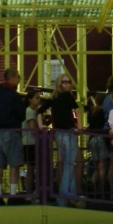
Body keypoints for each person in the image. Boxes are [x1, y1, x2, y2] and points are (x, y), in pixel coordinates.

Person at [38, 73, 80, 207]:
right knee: (69, 164)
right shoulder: (68, 96)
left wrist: (41, 126)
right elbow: (78, 110)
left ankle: (72, 194)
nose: (67, 84)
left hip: (58, 134)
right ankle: (62, 197)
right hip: (68, 132)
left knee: (68, 164)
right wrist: (79, 127)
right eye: (65, 82)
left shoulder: (53, 98)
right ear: (59, 84)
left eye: (69, 82)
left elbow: (39, 111)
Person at [0, 67, 26, 205]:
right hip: (10, 132)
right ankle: (12, 195)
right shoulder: (14, 96)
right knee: (14, 165)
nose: (19, 79)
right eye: (17, 77)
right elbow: (21, 115)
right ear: (11, 78)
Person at [86, 96, 110, 199]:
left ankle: (92, 181)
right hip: (101, 138)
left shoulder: (91, 112)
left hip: (92, 139)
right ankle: (101, 189)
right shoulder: (104, 112)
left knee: (96, 165)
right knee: (103, 165)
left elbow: (89, 126)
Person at [22, 91, 42, 200]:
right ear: (30, 99)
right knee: (30, 169)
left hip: (28, 143)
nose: (39, 100)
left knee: (30, 169)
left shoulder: (31, 111)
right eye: (36, 97)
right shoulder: (29, 112)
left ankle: (30, 192)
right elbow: (32, 129)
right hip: (30, 143)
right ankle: (30, 193)